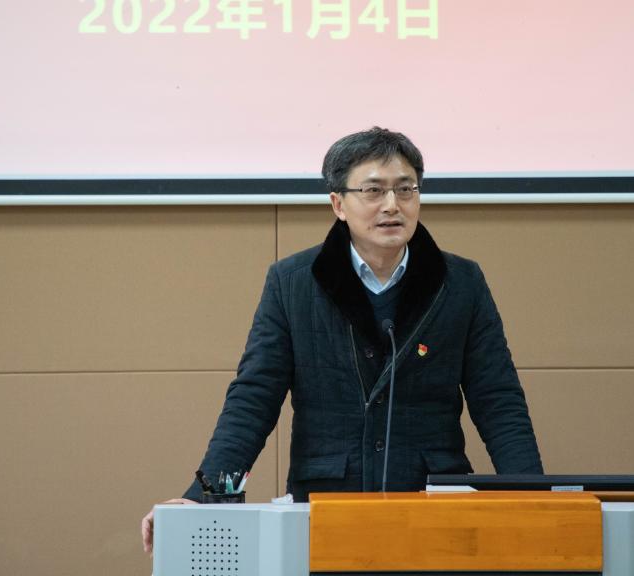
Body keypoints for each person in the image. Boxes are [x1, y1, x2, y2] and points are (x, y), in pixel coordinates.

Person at [141, 127, 542, 554]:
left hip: (431, 503)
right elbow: (254, 398)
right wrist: (202, 495)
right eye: (373, 190)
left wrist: (535, 496)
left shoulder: (460, 282)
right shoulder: (293, 283)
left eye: (406, 189)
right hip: (326, 504)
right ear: (338, 204)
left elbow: (497, 398)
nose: (392, 205)